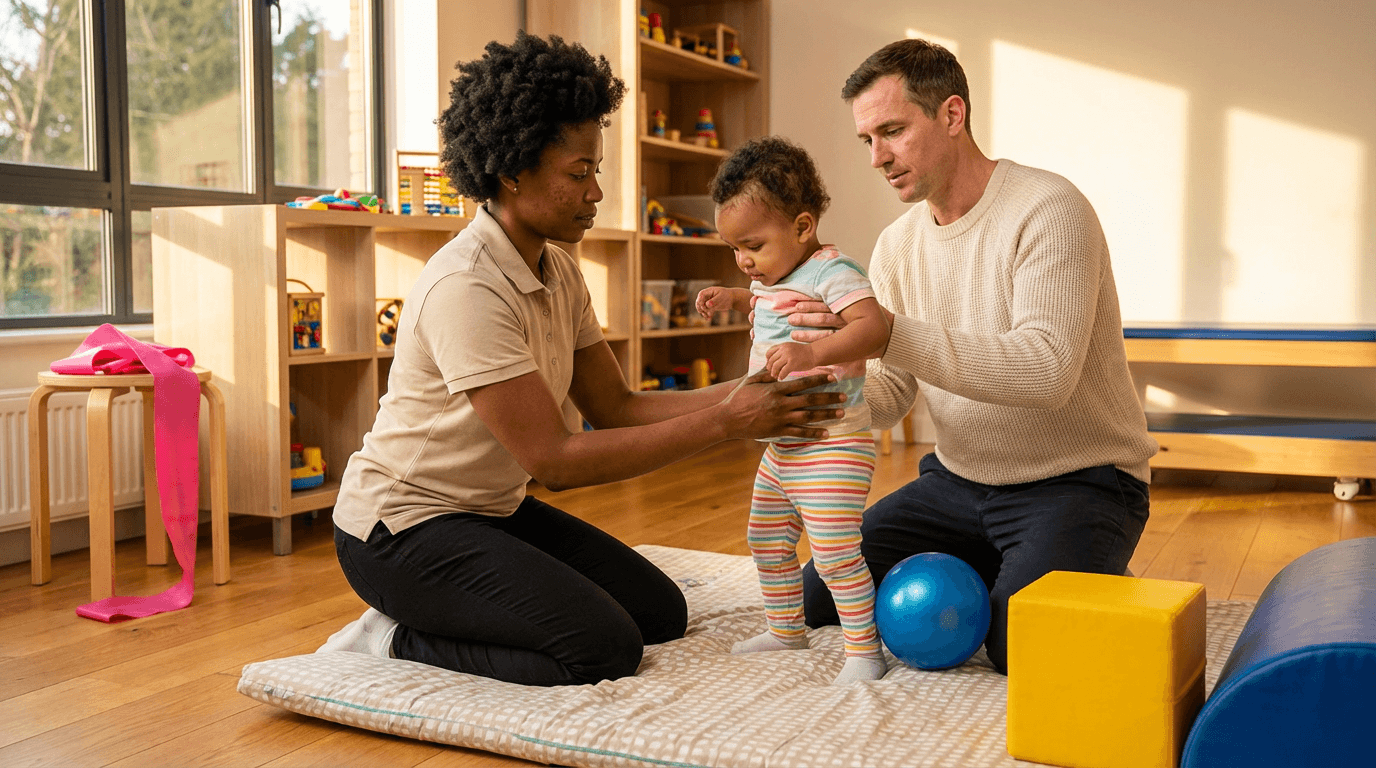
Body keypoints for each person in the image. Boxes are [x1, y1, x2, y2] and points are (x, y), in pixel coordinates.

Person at [316, 32, 846, 687]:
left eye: (595, 170)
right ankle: (391, 638)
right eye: (579, 173)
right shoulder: (467, 285)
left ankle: (441, 616)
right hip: (400, 532)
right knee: (601, 649)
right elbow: (555, 461)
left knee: (659, 612)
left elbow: (614, 406)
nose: (596, 190)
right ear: (512, 170)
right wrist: (726, 423)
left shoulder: (558, 268)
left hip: (487, 511)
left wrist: (755, 388)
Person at [793, 39, 1158, 674]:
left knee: (1019, 645)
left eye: (893, 131)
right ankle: (1026, 561)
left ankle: (1069, 555)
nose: (878, 157)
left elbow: (1047, 370)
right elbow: (891, 397)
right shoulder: (897, 245)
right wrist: (839, 379)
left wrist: (886, 333)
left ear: (952, 115)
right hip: (956, 483)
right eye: (866, 140)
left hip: (1082, 481)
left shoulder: (1048, 208)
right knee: (816, 595)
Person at [695, 137, 891, 684]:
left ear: (803, 228)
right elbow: (766, 301)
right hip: (784, 445)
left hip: (833, 442)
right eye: (733, 249)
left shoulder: (834, 271)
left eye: (751, 246)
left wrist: (813, 353)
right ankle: (786, 630)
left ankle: (863, 651)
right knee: (766, 537)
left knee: (833, 554)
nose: (742, 261)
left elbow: (872, 328)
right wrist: (734, 297)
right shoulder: (772, 278)